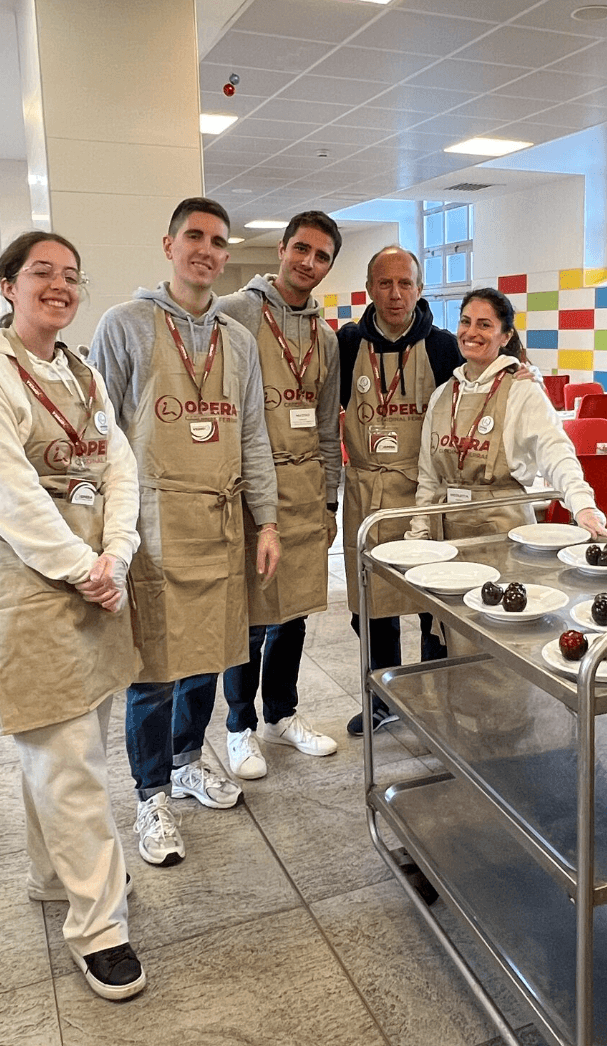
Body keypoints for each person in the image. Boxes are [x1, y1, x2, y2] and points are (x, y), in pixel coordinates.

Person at [0, 231, 146, 1000]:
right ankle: (100, 927)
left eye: (69, 276)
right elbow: (7, 492)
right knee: (66, 758)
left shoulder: (80, 370)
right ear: (8, 286)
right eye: (41, 275)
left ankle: (52, 876)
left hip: (94, 575)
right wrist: (79, 566)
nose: (58, 287)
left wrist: (117, 554)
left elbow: (116, 463)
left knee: (70, 742)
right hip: (28, 584)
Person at [90, 197, 279, 866]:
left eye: (217, 240)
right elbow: (100, 435)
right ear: (168, 244)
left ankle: (184, 763)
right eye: (192, 236)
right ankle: (149, 796)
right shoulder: (124, 325)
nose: (205, 248)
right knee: (152, 670)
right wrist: (103, 533)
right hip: (151, 525)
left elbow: (252, 433)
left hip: (222, 520)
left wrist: (268, 519)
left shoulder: (235, 338)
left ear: (227, 256)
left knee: (209, 654)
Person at [216, 211, 342, 777]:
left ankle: (281, 714)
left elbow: (325, 423)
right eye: (301, 250)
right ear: (281, 250)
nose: (309, 263)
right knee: (249, 612)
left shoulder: (327, 336)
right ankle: (239, 725)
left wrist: (331, 498)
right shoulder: (235, 312)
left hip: (307, 484)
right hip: (251, 485)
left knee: (294, 612)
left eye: (321, 256)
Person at [337, 246, 458, 736]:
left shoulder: (444, 345)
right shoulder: (346, 344)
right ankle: (381, 697)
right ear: (369, 289)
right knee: (370, 606)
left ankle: (432, 697)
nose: (395, 294)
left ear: (420, 288)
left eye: (405, 283)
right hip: (366, 491)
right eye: (384, 284)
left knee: (432, 603)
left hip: (423, 492)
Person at [408, 286, 607, 544]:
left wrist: (583, 506)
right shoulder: (441, 396)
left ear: (505, 336)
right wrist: (419, 533)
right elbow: (428, 477)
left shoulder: (522, 389)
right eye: (465, 322)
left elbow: (556, 451)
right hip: (447, 540)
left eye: (484, 325)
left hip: (508, 537)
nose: (471, 332)